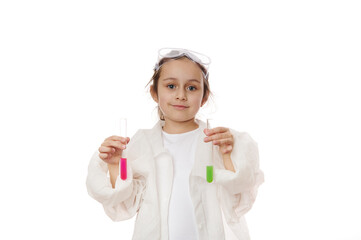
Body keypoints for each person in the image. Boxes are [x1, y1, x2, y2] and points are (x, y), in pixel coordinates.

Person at [86, 48, 264, 240]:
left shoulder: (215, 142)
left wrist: (228, 155)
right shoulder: (143, 144)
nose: (181, 95)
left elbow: (236, 199)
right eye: (171, 86)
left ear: (204, 97)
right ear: (154, 92)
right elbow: (126, 203)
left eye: (192, 88)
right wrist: (116, 164)